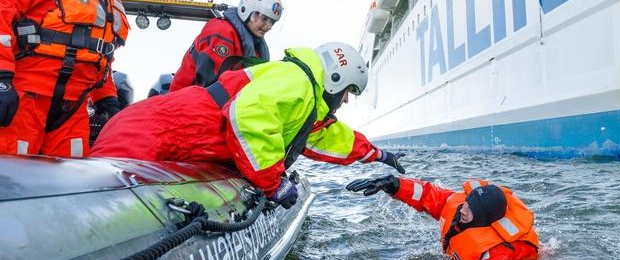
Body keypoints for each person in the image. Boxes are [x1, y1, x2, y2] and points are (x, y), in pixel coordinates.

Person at [91, 42, 406, 209]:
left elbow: (328, 136)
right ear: (337, 80)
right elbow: (249, 116)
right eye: (349, 92)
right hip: (154, 132)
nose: (347, 101)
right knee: (97, 205)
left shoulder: (302, 96)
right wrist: (273, 184)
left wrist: (377, 155)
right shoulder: (297, 81)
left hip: (168, 131)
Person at [0, 0, 128, 157]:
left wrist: (107, 99)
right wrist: (2, 77)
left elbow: (99, 58)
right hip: (25, 98)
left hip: (74, 107)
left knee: (71, 173)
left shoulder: (109, 4)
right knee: (11, 166)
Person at [346, 177, 539, 260]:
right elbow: (427, 194)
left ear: (484, 219)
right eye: (466, 203)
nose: (462, 209)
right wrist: (393, 184)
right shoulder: (458, 206)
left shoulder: (498, 253)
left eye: (471, 210)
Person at [168, 0, 283, 93]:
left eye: (272, 22)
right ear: (247, 11)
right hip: (185, 102)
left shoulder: (256, 47)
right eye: (264, 19)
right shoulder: (222, 31)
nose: (268, 26)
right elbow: (210, 84)